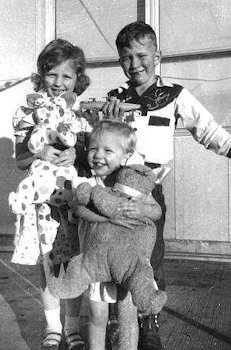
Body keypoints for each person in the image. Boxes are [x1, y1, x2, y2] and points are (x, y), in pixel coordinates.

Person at [100, 20, 231, 350]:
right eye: (126, 58)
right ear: (120, 61)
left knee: (150, 259)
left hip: (150, 193)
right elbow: (99, 146)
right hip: (115, 191)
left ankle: (149, 322)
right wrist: (106, 121)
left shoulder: (173, 95)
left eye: (142, 55)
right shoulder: (114, 98)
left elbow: (208, 129)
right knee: (113, 258)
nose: (135, 64)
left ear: (158, 56)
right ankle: (118, 321)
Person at [11, 39, 91, 350]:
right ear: (41, 75)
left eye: (66, 76)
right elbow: (20, 161)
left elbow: (89, 155)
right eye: (51, 74)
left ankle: (72, 327)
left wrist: (76, 156)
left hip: (71, 198)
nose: (58, 83)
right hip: (42, 202)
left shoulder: (80, 112)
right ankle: (52, 326)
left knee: (74, 262)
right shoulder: (29, 110)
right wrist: (40, 152)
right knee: (47, 263)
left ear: (77, 79)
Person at [74, 119, 163, 350]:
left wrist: (142, 209)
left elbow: (156, 210)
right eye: (93, 148)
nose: (98, 155)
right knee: (97, 316)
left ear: (125, 156)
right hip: (99, 262)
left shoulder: (131, 183)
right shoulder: (87, 181)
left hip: (127, 262)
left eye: (107, 150)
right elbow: (79, 209)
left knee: (128, 316)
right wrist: (108, 216)